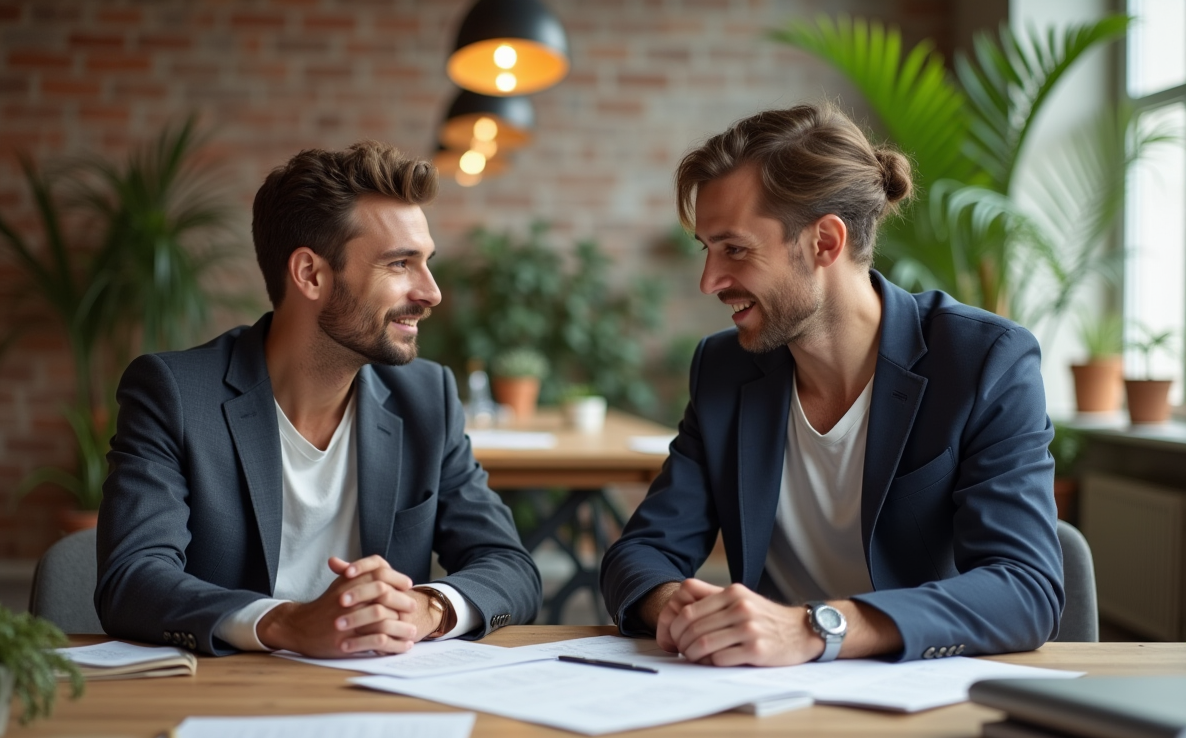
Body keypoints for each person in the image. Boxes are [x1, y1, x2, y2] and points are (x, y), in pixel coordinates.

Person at [600, 104, 1064, 666]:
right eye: (708, 250)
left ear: (824, 242)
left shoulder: (983, 362)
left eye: (736, 249)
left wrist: (816, 629)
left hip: (925, 693)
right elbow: (643, 552)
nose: (709, 281)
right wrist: (675, 604)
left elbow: (1025, 588)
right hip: (768, 696)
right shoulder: (724, 369)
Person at [95, 141, 542, 657]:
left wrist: (428, 608)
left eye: (427, 263)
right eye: (400, 264)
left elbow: (510, 565)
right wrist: (286, 623)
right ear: (310, 274)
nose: (431, 292)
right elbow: (131, 579)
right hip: (223, 701)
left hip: (382, 699)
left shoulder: (427, 398)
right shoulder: (174, 394)